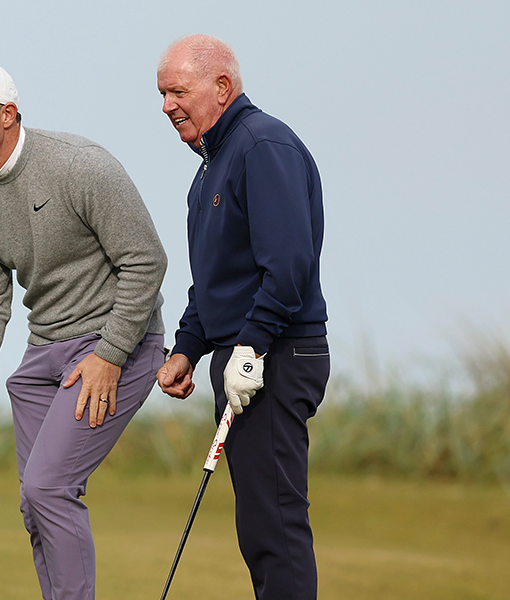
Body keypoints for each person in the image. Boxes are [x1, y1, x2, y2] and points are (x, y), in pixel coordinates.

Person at [0, 60, 168, 600]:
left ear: (8, 114)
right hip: (45, 354)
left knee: (49, 488)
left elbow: (146, 261)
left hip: (117, 344)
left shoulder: (80, 166)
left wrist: (110, 354)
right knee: (35, 505)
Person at [155, 35, 330, 600]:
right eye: (162, 95)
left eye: (178, 91)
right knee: (258, 526)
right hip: (247, 356)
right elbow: (216, 280)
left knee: (274, 525)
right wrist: (188, 346)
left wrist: (250, 347)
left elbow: (289, 265)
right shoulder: (210, 168)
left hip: (276, 355)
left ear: (222, 87)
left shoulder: (261, 147)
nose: (167, 106)